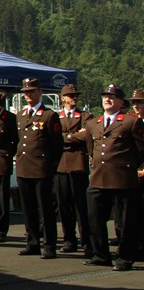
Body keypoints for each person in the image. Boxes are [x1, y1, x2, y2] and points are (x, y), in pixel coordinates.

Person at [82, 84, 144, 271]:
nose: (107, 99)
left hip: (122, 178)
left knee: (125, 221)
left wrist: (128, 166)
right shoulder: (93, 124)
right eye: (105, 96)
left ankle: (125, 257)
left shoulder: (130, 122)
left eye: (112, 97)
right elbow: (90, 149)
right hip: (98, 177)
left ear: (120, 101)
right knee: (94, 218)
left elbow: (141, 150)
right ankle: (100, 255)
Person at [15, 78, 63, 260]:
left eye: (32, 91)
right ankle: (32, 242)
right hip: (23, 167)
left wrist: (51, 167)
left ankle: (49, 245)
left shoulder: (49, 115)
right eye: (26, 92)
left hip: (42, 169)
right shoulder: (20, 114)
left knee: (46, 210)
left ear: (40, 92)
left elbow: (57, 145)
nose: (28, 95)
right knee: (28, 209)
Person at [54, 84, 91, 255]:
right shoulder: (56, 116)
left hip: (78, 165)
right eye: (70, 95)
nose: (74, 98)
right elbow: (53, 138)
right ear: (63, 98)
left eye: (75, 95)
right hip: (60, 166)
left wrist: (66, 138)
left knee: (81, 206)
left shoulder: (85, 116)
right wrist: (74, 136)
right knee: (64, 206)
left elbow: (87, 134)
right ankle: (69, 239)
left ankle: (86, 241)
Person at [0, 91, 19, 243]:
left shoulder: (10, 118)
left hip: (1, 160)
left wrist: (7, 153)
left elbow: (16, 140)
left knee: (2, 197)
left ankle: (1, 229)